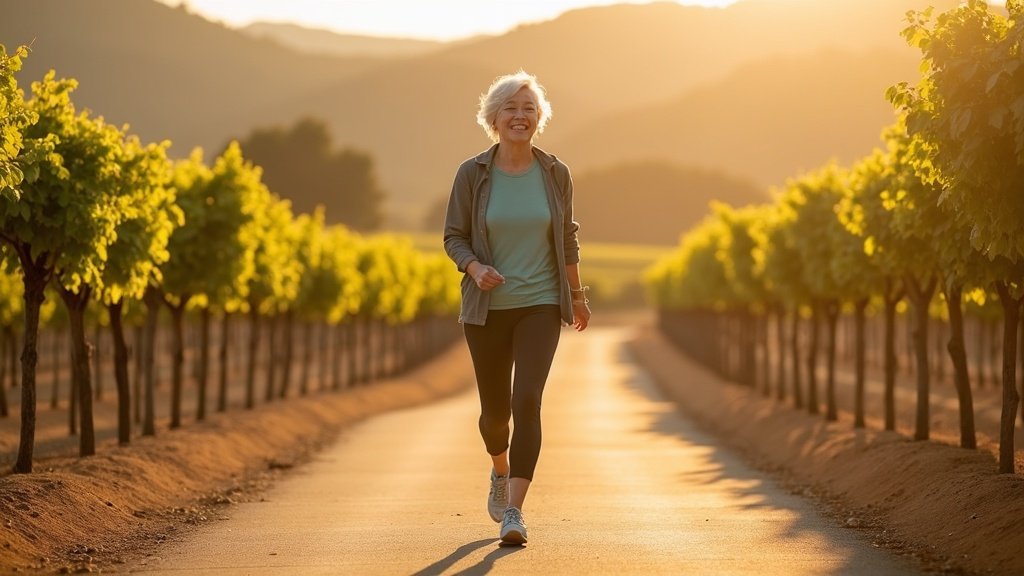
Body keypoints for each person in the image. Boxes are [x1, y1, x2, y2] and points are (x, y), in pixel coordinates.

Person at [443, 70, 591, 545]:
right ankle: (499, 469)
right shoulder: (472, 173)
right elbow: (454, 236)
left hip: (540, 304)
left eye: (529, 108)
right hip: (486, 308)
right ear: (494, 118)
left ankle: (514, 511)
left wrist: (577, 296)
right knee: (494, 414)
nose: (520, 116)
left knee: (526, 399)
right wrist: (474, 268)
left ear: (539, 118)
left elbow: (567, 236)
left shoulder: (555, 173)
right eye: (510, 108)